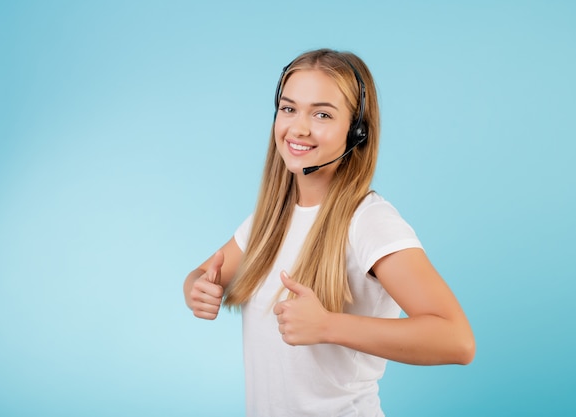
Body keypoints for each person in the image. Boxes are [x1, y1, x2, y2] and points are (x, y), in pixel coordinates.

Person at [183, 48, 475, 417]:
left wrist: (328, 326)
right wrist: (197, 289)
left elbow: (457, 340)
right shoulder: (268, 219)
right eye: (289, 109)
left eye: (322, 114)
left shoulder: (368, 221)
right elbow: (202, 275)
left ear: (357, 131)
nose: (298, 128)